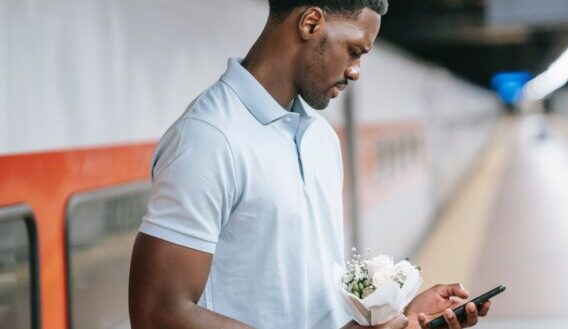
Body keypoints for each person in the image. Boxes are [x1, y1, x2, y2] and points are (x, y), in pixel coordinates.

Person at [128, 1, 490, 328]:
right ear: (311, 23)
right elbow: (158, 313)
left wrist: (395, 315)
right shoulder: (209, 138)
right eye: (353, 51)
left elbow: (313, 310)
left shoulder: (322, 138)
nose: (356, 71)